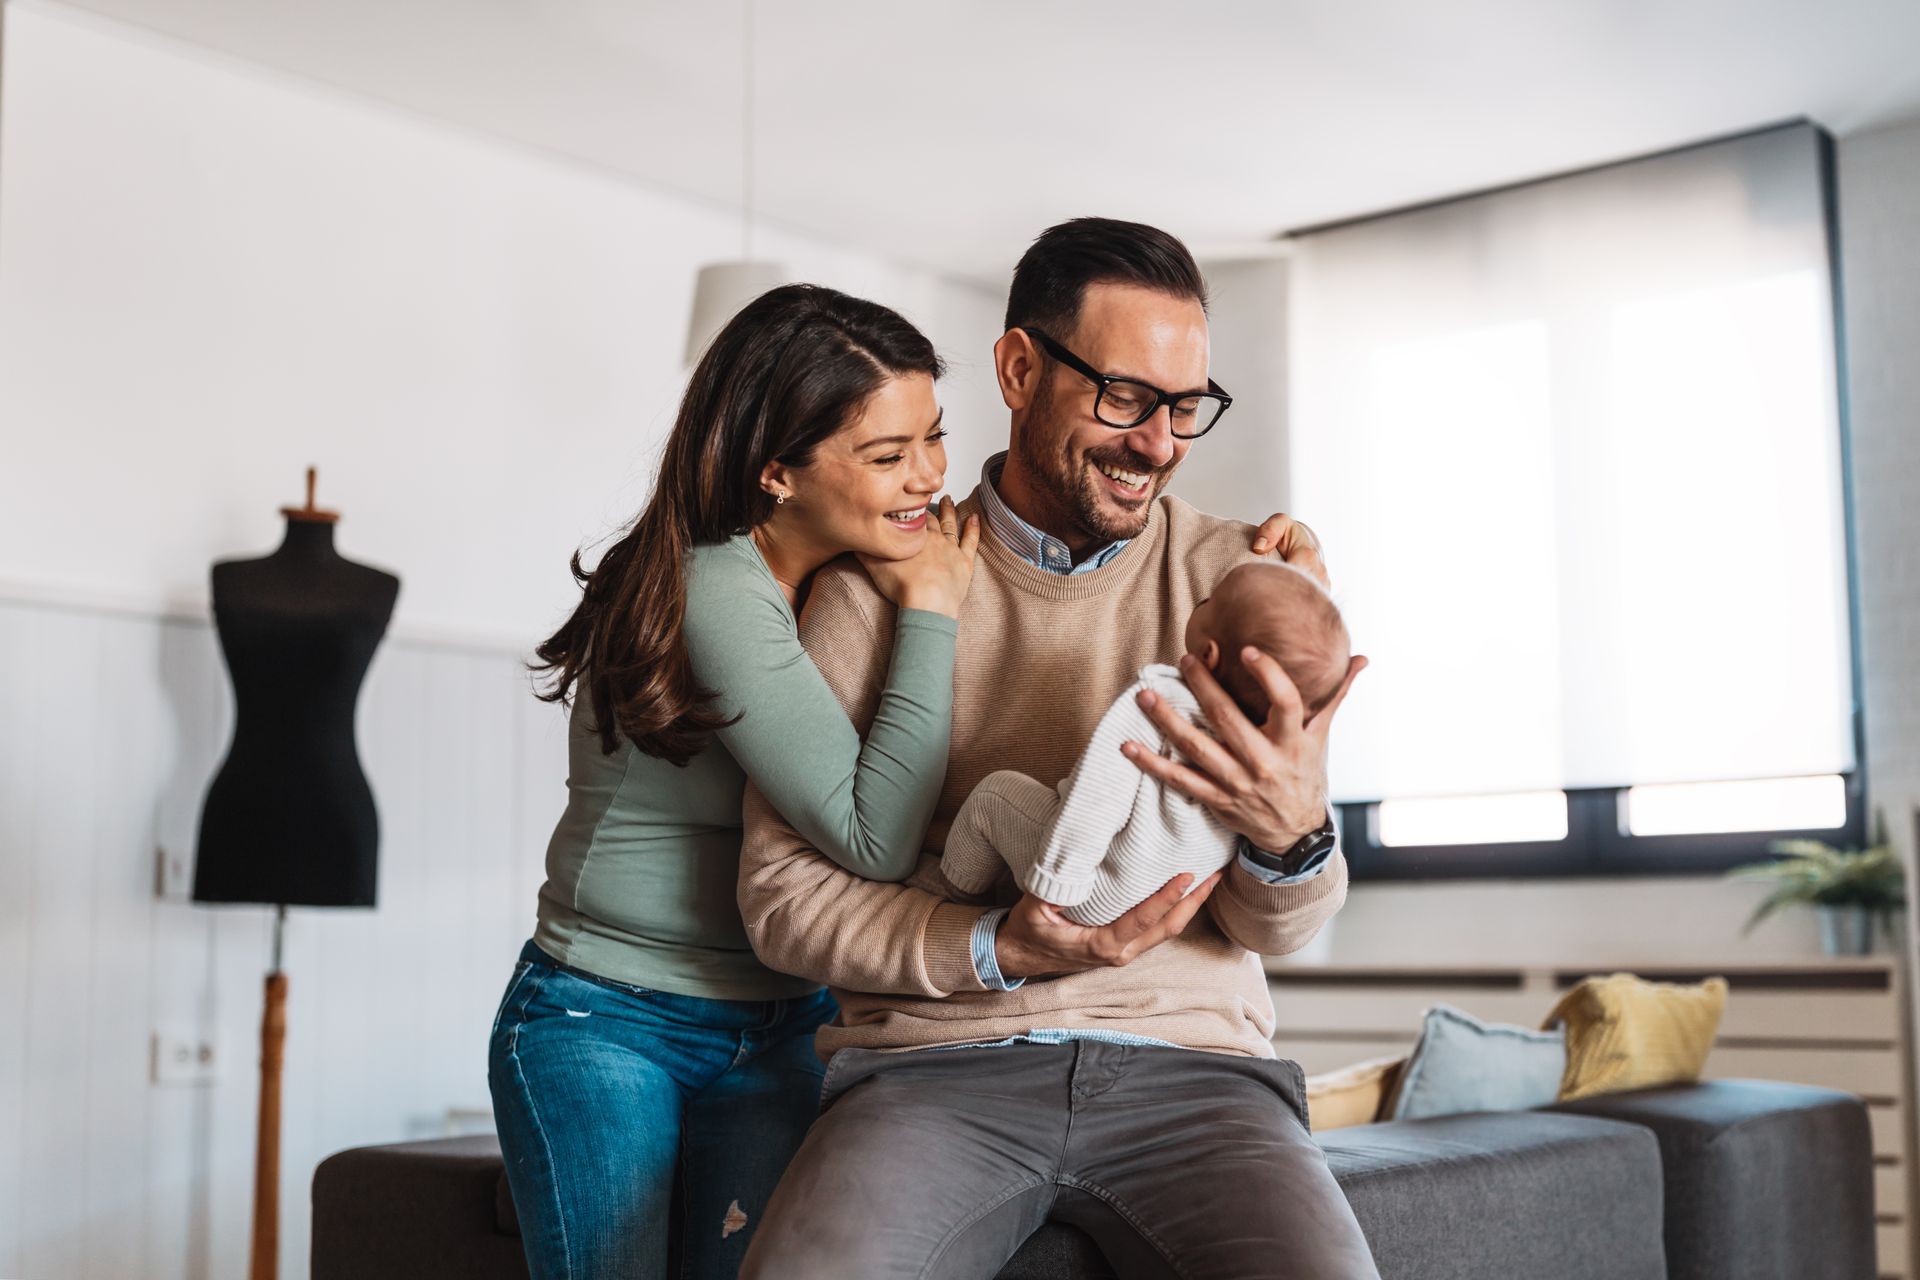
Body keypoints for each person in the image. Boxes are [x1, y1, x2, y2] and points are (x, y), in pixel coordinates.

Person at [736, 218, 1382, 1278]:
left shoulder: (1239, 578)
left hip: (1198, 1075)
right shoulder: (876, 582)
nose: (1160, 443)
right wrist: (1001, 944)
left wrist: (1291, 835)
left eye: (1186, 407)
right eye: (1125, 398)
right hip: (936, 1072)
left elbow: (1289, 921)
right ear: (1019, 367)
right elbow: (782, 900)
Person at [488, 283, 982, 1280]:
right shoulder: (717, 582)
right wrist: (934, 606)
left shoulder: (842, 572)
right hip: (608, 1016)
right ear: (775, 471)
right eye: (888, 456)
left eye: (933, 436)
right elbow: (868, 834)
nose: (928, 475)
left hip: (780, 1023)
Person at [940, 561, 1351, 926]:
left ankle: (952, 891)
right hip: (1168, 894)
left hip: (1093, 891)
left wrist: (1055, 886)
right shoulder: (1269, 750)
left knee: (993, 797)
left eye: (1209, 600)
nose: (1201, 597)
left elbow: (1097, 796)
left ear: (1208, 656)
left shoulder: (1158, 702)